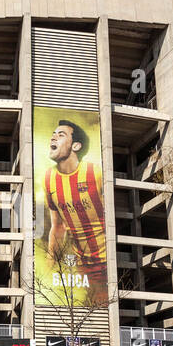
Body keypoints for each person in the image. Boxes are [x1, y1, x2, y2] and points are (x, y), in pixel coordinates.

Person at [42, 119, 108, 303]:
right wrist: (48, 269)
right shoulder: (48, 178)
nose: (53, 136)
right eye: (53, 134)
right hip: (81, 269)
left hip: (106, 264)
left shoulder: (95, 173)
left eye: (61, 134)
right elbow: (57, 227)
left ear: (76, 145)